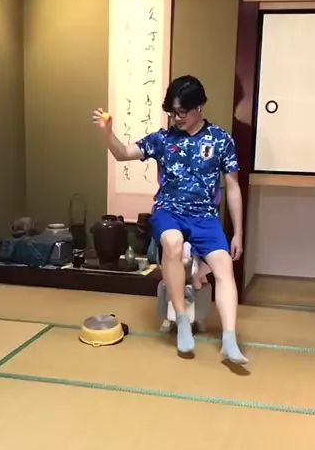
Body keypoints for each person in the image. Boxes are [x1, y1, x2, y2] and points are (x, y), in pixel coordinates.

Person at [92, 75, 247, 363]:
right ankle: (182, 322)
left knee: (224, 266)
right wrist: (108, 133)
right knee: (173, 244)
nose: (176, 118)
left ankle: (229, 339)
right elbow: (123, 154)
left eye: (182, 112)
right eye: (172, 112)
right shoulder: (162, 140)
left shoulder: (221, 140)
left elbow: (233, 187)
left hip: (205, 216)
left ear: (199, 107)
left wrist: (237, 232)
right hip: (169, 211)